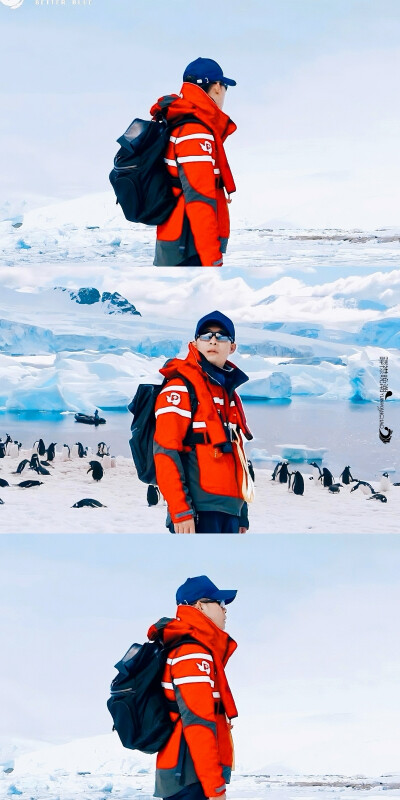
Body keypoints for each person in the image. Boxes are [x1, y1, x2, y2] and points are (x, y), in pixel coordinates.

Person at [153, 311, 253, 534]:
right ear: (195, 343)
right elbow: (165, 452)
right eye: (206, 336)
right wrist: (180, 511)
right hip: (198, 513)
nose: (214, 341)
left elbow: (237, 457)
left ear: (232, 347)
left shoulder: (228, 395)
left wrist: (242, 514)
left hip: (230, 514)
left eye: (222, 336)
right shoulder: (180, 388)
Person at [148, 575, 238, 800]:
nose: (225, 610)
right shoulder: (192, 654)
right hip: (191, 778)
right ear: (200, 606)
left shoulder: (192, 649)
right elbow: (198, 724)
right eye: (220, 603)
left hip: (187, 774)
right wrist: (215, 788)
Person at [150, 58, 237, 267]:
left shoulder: (183, 122)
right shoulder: (195, 133)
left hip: (180, 243)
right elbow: (200, 201)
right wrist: (212, 261)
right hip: (189, 250)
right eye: (225, 87)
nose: (224, 94)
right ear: (216, 87)